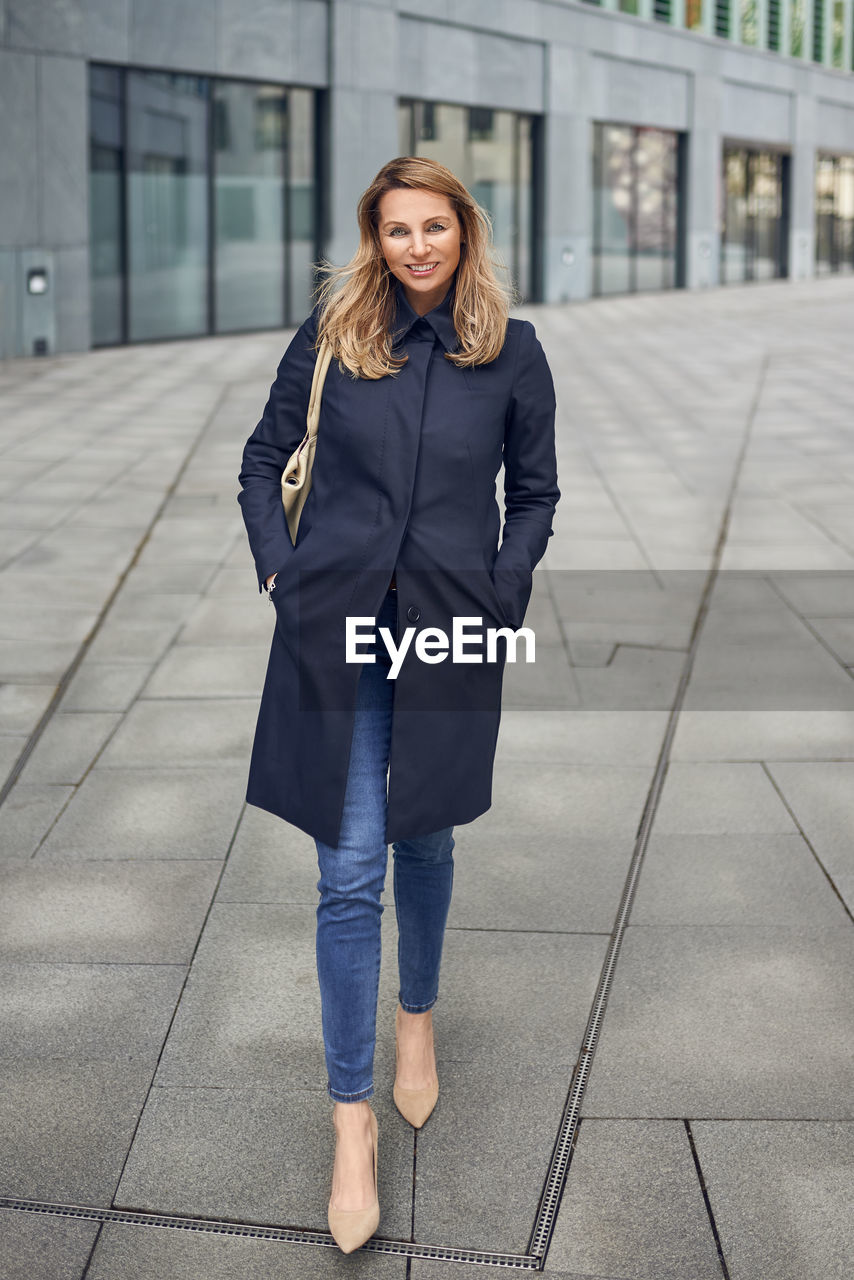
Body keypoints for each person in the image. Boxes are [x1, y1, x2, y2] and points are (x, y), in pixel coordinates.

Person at [237, 155, 559, 1252]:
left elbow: (536, 490)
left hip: (447, 630)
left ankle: (413, 1020)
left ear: (462, 232)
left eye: (434, 225)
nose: (416, 245)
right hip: (334, 631)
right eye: (395, 229)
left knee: (423, 838)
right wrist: (281, 570)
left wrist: (500, 585)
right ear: (373, 239)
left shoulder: (509, 353)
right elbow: (261, 458)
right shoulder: (331, 335)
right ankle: (350, 1117)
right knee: (347, 870)